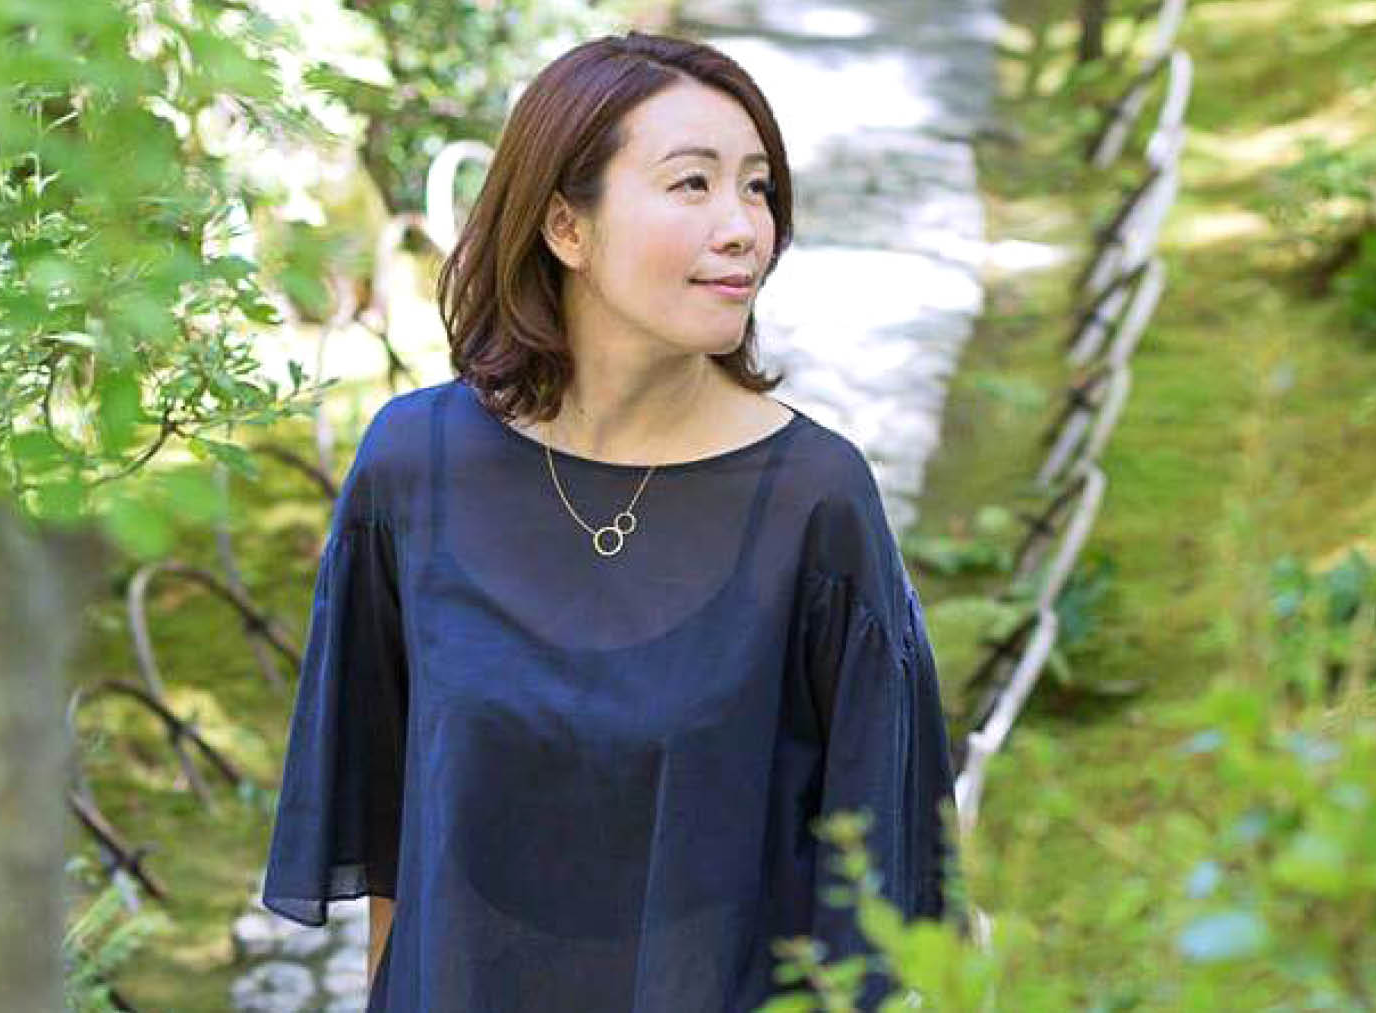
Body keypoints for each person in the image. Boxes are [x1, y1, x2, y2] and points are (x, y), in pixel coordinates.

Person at [260, 29, 957, 1013]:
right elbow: (390, 833)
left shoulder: (814, 498)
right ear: (566, 227)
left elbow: (883, 884)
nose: (742, 228)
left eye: (757, 187)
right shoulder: (414, 466)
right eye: (691, 184)